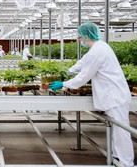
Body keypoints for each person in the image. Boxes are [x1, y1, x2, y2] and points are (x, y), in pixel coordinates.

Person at [49, 22, 134, 167]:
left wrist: (64, 84)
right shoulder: (100, 47)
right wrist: (68, 71)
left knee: (121, 130)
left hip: (115, 96)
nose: (79, 40)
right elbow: (83, 62)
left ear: (87, 36)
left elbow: (84, 76)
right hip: (113, 95)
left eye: (80, 37)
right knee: (116, 129)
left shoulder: (97, 51)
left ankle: (126, 163)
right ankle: (117, 158)